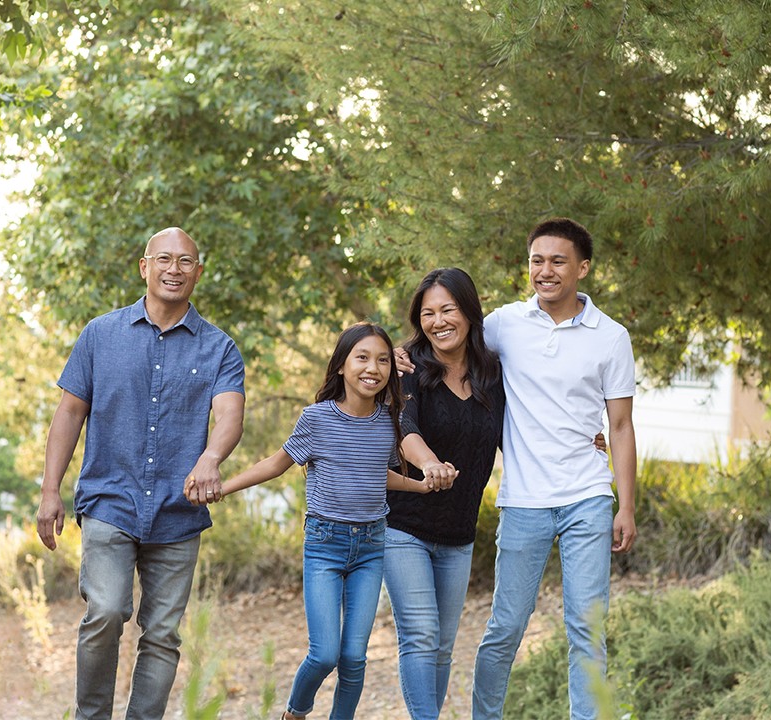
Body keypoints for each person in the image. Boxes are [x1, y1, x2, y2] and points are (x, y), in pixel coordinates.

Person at [187, 322, 448, 720]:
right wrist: (224, 486)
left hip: (371, 547)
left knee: (354, 658)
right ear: (341, 365)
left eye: (382, 360)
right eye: (361, 357)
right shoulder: (317, 418)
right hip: (325, 545)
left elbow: (378, 473)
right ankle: (295, 711)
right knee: (325, 653)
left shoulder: (388, 421)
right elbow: (276, 464)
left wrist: (421, 487)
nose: (372, 368)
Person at [35, 227, 246, 720]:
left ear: (198, 272)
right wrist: (50, 491)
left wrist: (211, 457)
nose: (175, 269)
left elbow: (230, 417)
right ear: (144, 267)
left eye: (186, 261)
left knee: (163, 634)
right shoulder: (100, 335)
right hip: (111, 499)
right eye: (165, 259)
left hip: (179, 509)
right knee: (106, 611)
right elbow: (68, 414)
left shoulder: (219, 349)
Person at [388, 268, 606, 720]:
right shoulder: (406, 365)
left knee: (444, 647)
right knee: (421, 637)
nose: (438, 321)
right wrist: (429, 462)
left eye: (448, 309)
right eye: (427, 313)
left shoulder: (491, 374)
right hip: (403, 524)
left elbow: (524, 427)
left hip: (457, 531)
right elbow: (403, 426)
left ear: (469, 313)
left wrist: (579, 441)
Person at [470, 217, 637, 720]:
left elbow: (622, 426)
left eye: (558, 261)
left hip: (588, 496)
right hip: (523, 501)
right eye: (537, 260)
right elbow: (447, 342)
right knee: (505, 627)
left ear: (582, 268)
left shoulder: (610, 337)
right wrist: (397, 356)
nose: (545, 271)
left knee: (587, 627)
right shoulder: (504, 325)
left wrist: (626, 505)